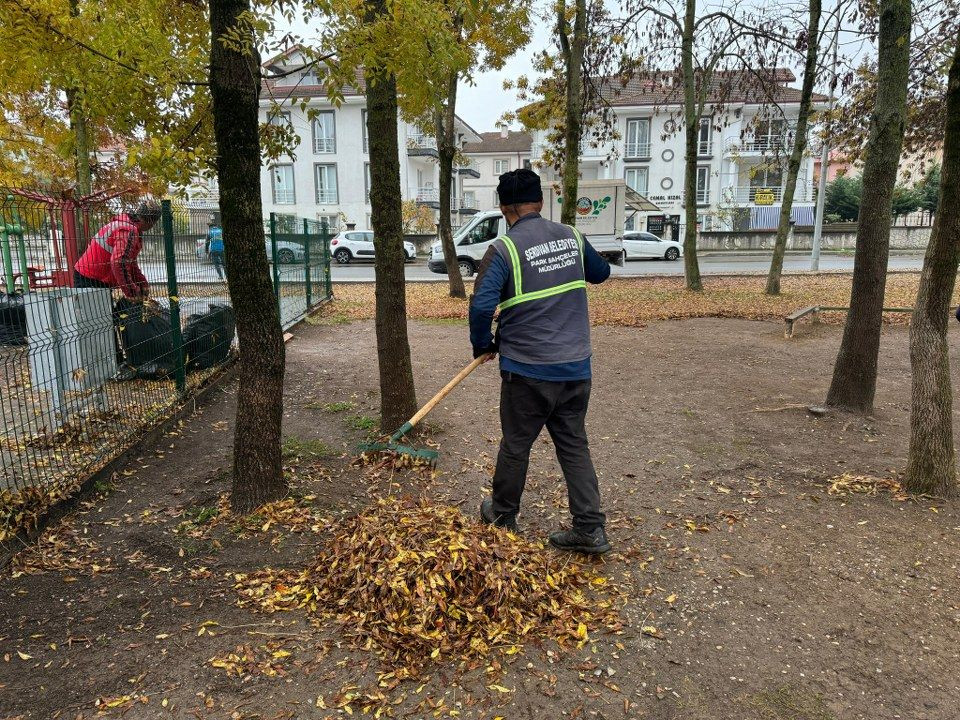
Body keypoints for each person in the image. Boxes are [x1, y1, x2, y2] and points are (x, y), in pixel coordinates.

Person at [470, 168, 612, 554]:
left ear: (503, 208)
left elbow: (482, 305)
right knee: (573, 445)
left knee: (516, 444)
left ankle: (502, 515)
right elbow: (601, 273)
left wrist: (483, 344)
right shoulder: (571, 236)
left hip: (528, 371)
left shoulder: (504, 249)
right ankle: (589, 528)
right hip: (575, 368)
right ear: (541, 202)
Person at [74, 200, 160, 299]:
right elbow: (119, 262)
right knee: (98, 313)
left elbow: (130, 262)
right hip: (90, 278)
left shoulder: (127, 225)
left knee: (106, 312)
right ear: (151, 222)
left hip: (94, 277)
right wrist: (132, 293)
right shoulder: (128, 230)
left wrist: (141, 283)